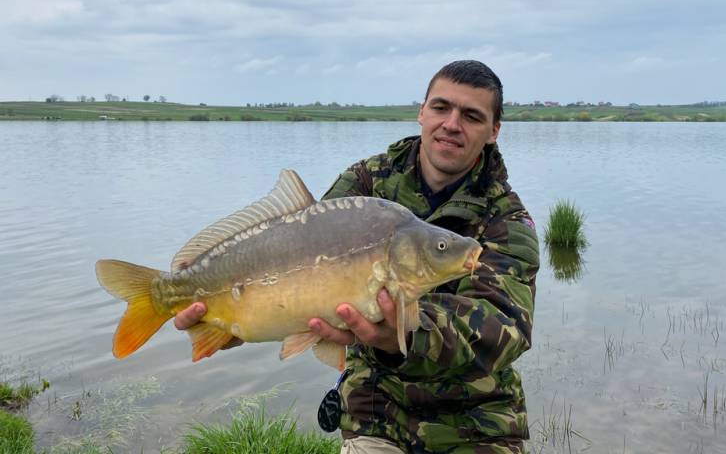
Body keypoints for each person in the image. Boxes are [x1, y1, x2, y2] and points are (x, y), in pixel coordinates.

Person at [175, 60, 539, 454]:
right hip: (377, 410)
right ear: (422, 112)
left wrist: (408, 333)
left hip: (478, 419)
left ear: (493, 132)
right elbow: (296, 283)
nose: (452, 123)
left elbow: (504, 331)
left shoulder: (508, 219)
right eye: (441, 107)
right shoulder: (366, 184)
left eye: (471, 116)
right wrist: (227, 326)